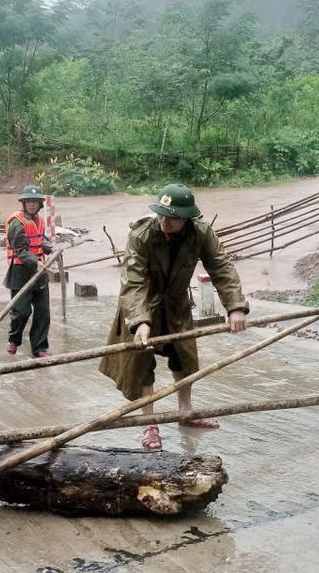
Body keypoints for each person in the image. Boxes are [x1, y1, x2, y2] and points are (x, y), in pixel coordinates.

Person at [99, 183, 249, 451]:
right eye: (161, 214)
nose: (164, 221)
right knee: (142, 363)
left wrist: (235, 306)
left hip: (176, 305)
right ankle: (150, 425)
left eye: (171, 217)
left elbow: (222, 266)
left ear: (186, 218)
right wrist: (140, 322)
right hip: (142, 306)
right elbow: (134, 282)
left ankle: (185, 413)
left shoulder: (201, 233)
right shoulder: (142, 235)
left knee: (185, 358)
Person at [4, 185, 54, 358]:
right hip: (20, 271)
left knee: (43, 311)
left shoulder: (39, 220)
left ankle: (40, 347)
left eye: (35, 202)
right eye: (28, 202)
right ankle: (13, 340)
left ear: (40, 204)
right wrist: (36, 262)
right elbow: (21, 250)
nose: (32, 205)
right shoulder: (16, 223)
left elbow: (41, 240)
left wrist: (49, 248)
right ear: (23, 203)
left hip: (40, 273)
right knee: (22, 311)